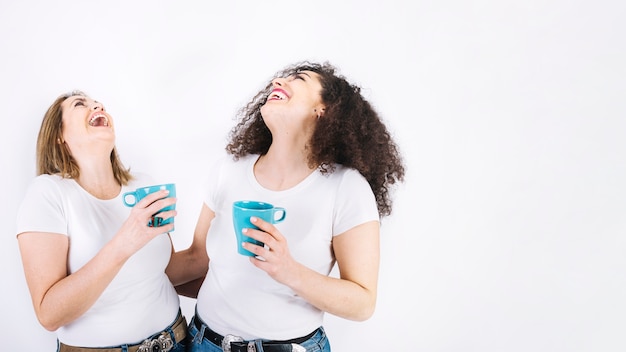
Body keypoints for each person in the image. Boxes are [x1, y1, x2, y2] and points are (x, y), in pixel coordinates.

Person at [167, 61, 406, 352]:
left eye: (299, 78)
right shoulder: (228, 170)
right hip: (204, 343)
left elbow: (362, 302)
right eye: (282, 77)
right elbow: (196, 259)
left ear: (323, 109)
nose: (280, 80)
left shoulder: (346, 187)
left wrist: (287, 269)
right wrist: (135, 270)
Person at [16, 91, 188, 352]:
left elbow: (167, 269)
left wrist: (217, 235)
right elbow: (48, 314)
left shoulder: (144, 184)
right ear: (59, 135)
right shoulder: (47, 193)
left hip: (176, 340)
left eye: (97, 102)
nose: (97, 104)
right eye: (79, 103)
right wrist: (125, 242)